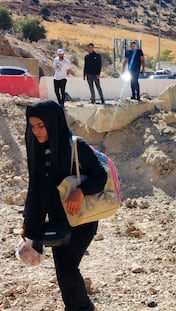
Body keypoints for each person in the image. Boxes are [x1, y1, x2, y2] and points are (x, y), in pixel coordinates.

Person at [22, 100, 107, 310]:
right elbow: (36, 191)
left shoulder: (75, 146)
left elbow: (100, 176)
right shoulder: (38, 152)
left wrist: (80, 191)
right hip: (58, 222)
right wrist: (29, 226)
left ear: (53, 123)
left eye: (41, 126)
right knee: (63, 270)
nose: (36, 132)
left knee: (68, 268)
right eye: (32, 127)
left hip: (82, 219)